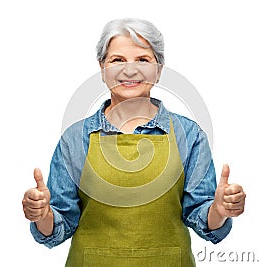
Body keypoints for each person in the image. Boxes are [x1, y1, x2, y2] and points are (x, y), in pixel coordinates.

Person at [22, 18, 246, 267]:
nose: (130, 70)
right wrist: (42, 216)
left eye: (143, 60)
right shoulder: (75, 139)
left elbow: (203, 219)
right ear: (102, 68)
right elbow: (59, 225)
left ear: (159, 70)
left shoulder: (189, 135)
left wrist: (219, 210)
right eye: (117, 60)